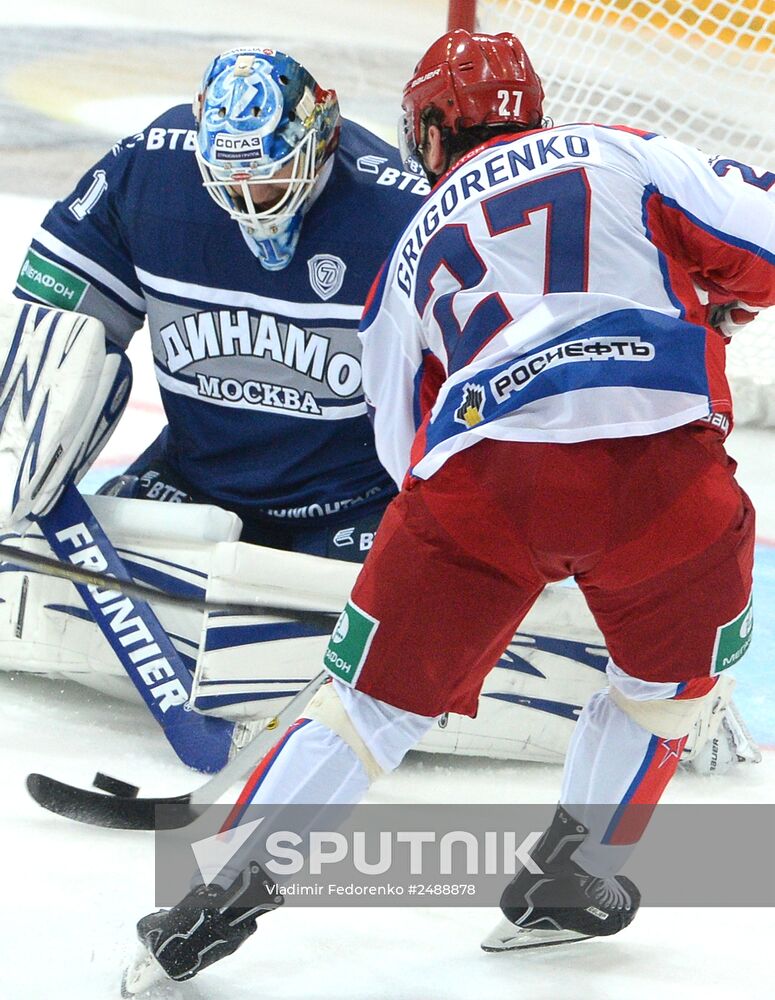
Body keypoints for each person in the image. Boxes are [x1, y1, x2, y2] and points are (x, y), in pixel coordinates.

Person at [123, 28, 775, 988]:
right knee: (663, 688)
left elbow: (401, 445)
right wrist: (713, 298)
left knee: (365, 713)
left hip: (480, 493)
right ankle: (571, 878)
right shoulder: (628, 150)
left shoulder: (410, 244)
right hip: (661, 478)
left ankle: (211, 896)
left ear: (427, 130)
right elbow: (759, 241)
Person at [12, 45, 429, 562]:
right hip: (191, 482)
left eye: (269, 173)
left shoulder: (402, 210)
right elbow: (43, 331)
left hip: (353, 507)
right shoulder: (151, 172)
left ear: (321, 139)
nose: (249, 195)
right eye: (229, 174)